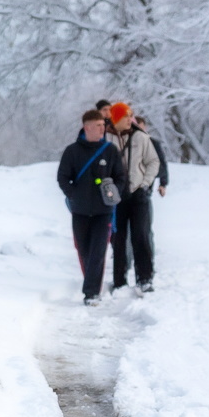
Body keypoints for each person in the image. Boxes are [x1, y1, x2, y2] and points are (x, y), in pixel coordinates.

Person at [57, 109, 129, 305]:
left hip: (104, 211)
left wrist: (114, 192)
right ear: (86, 127)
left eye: (103, 125)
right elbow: (62, 177)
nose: (102, 129)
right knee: (84, 250)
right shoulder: (72, 151)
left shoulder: (110, 151)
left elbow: (121, 177)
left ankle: (91, 293)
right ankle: (92, 284)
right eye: (98, 125)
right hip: (79, 211)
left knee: (98, 250)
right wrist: (73, 194)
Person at [106, 102, 161, 293]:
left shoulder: (140, 137)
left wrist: (145, 183)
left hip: (138, 193)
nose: (130, 119)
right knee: (118, 239)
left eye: (131, 116)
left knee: (141, 235)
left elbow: (153, 161)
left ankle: (145, 279)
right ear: (116, 118)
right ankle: (119, 281)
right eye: (126, 116)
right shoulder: (106, 138)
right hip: (116, 196)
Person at [135, 115, 168, 197]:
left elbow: (162, 163)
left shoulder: (153, 143)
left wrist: (163, 184)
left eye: (141, 128)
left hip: (145, 187)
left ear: (145, 128)